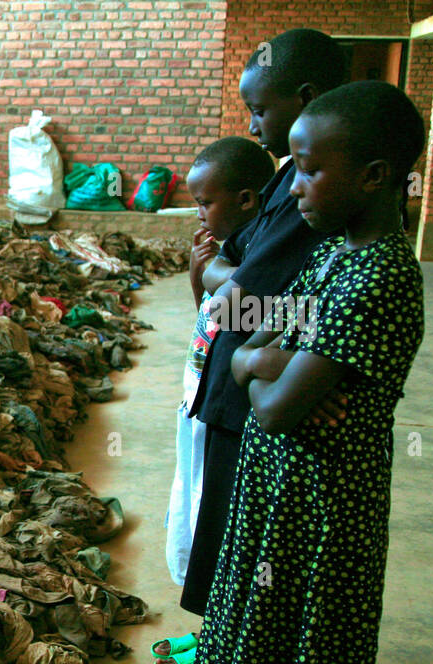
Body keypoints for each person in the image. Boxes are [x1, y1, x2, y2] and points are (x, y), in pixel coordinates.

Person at [183, 80, 426, 664]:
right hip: (283, 502)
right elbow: (269, 333)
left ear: (377, 175)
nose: (297, 187)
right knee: (271, 657)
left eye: (313, 171)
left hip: (326, 518)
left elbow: (281, 397)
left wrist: (255, 362)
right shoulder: (333, 251)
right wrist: (264, 355)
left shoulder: (384, 275)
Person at [161, 28, 346, 664]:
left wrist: (215, 286)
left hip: (265, 409)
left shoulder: (311, 203)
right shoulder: (286, 181)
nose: (253, 125)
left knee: (255, 572)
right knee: (225, 549)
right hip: (243, 397)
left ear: (303, 101)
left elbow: (248, 304)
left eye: (258, 108)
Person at [161, 137, 276, 621]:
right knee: (191, 506)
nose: (200, 214)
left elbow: (239, 306)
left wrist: (213, 272)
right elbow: (208, 315)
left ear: (246, 200)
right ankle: (208, 626)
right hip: (199, 399)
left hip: (227, 408)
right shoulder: (230, 245)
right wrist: (198, 273)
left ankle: (216, 629)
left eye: (205, 203)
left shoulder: (265, 250)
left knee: (214, 515)